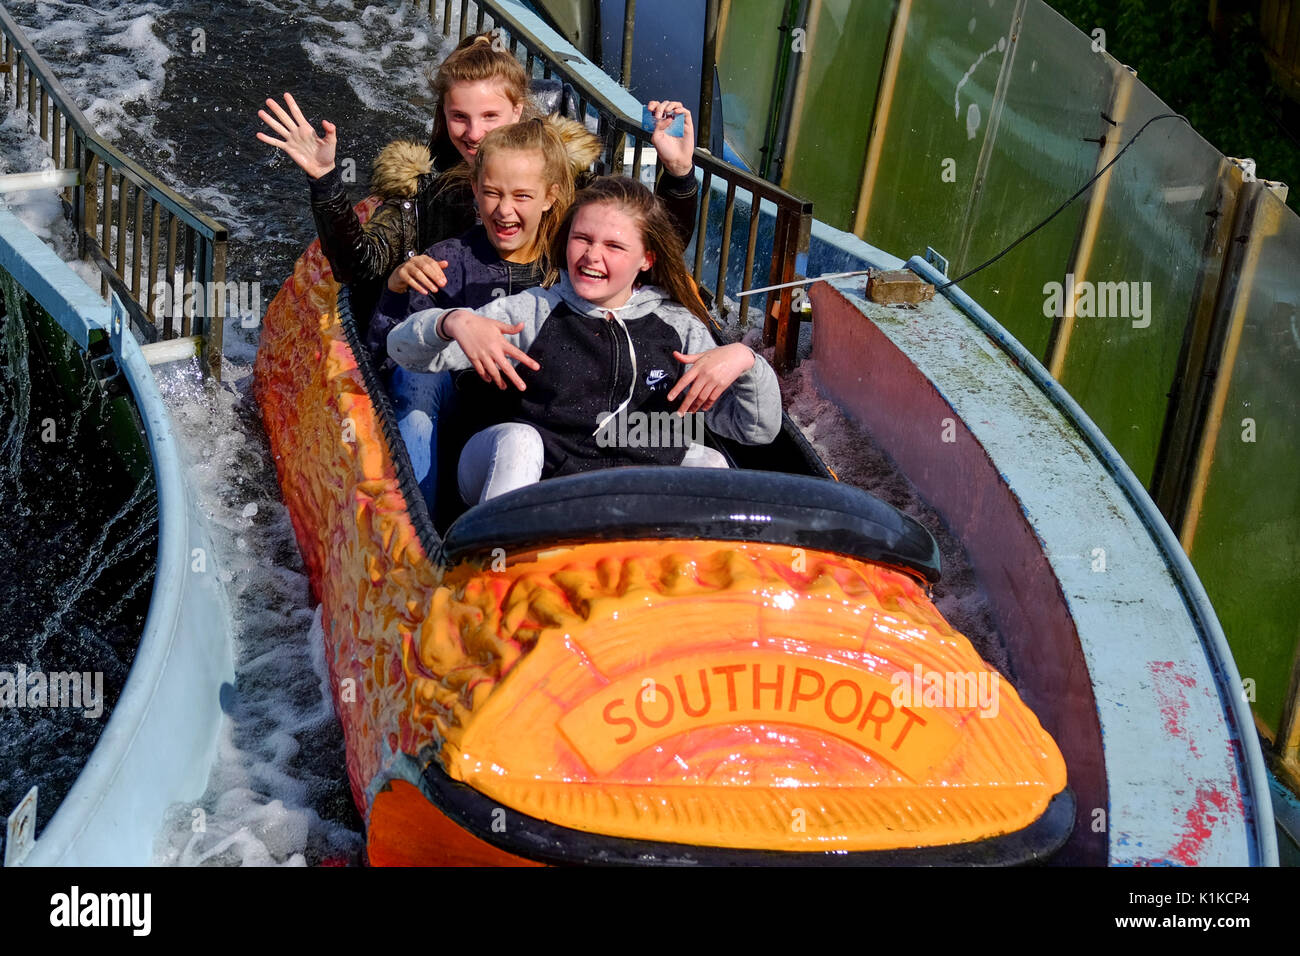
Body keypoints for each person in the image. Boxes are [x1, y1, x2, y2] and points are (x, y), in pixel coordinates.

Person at [255, 31, 700, 326]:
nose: (474, 133)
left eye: (490, 116)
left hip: (556, 333)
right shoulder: (424, 188)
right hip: (450, 342)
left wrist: (678, 175)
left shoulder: (570, 178)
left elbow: (656, 251)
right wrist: (327, 181)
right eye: (459, 117)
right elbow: (357, 267)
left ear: (518, 112)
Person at [387, 176, 782, 504]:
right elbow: (403, 352)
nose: (592, 256)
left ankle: (705, 584)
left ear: (647, 259)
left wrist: (747, 361)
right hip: (526, 479)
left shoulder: (679, 328)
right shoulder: (532, 312)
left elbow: (756, 432)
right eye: (583, 239)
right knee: (520, 438)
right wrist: (450, 322)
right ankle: (499, 573)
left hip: (625, 492)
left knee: (712, 463)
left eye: (613, 246)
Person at [374, 115, 598, 511]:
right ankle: (412, 525)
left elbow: (643, 256)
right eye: (492, 193)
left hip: (548, 438)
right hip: (464, 432)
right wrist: (395, 292)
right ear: (474, 190)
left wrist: (679, 177)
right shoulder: (446, 261)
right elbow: (383, 355)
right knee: (414, 375)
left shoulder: (569, 265)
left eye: (522, 196)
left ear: (550, 196)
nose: (504, 210)